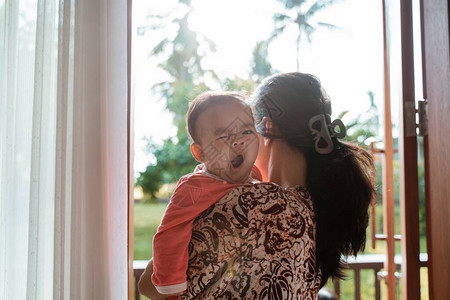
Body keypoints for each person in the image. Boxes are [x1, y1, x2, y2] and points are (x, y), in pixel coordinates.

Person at [138, 72, 374, 299]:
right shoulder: (317, 207)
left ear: (266, 130)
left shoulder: (257, 204)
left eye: (245, 129)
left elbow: (151, 285)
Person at [149, 91, 261, 297]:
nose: (238, 142)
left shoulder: (256, 175)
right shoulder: (195, 187)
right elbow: (169, 233)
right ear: (200, 153)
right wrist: (172, 287)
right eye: (224, 136)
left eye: (246, 132)